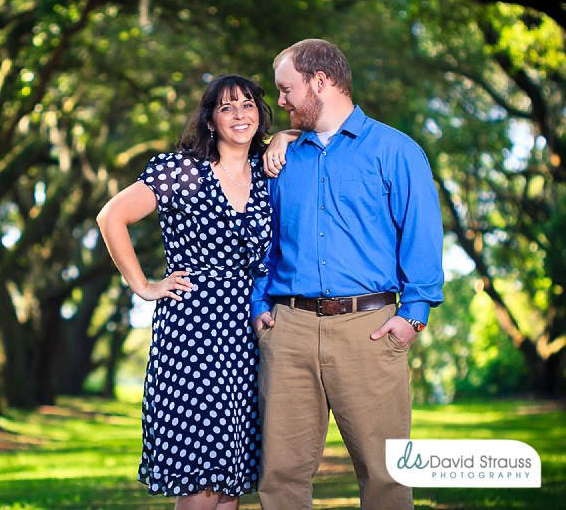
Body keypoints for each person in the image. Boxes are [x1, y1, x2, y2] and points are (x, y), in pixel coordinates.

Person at [250, 39, 445, 510]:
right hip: (288, 329)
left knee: (386, 475)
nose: (278, 102)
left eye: (285, 89)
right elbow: (261, 242)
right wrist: (260, 306)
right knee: (279, 477)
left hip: (371, 330)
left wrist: (412, 316)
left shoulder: (396, 151)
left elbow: (421, 235)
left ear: (320, 81)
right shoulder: (280, 160)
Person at [97, 74, 274, 509]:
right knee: (201, 474)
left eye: (248, 105)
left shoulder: (269, 169)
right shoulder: (180, 170)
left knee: (232, 474)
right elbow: (111, 217)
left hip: (246, 330)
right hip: (192, 328)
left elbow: (301, 137)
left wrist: (285, 137)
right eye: (227, 107)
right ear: (210, 120)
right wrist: (143, 286)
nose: (239, 115)